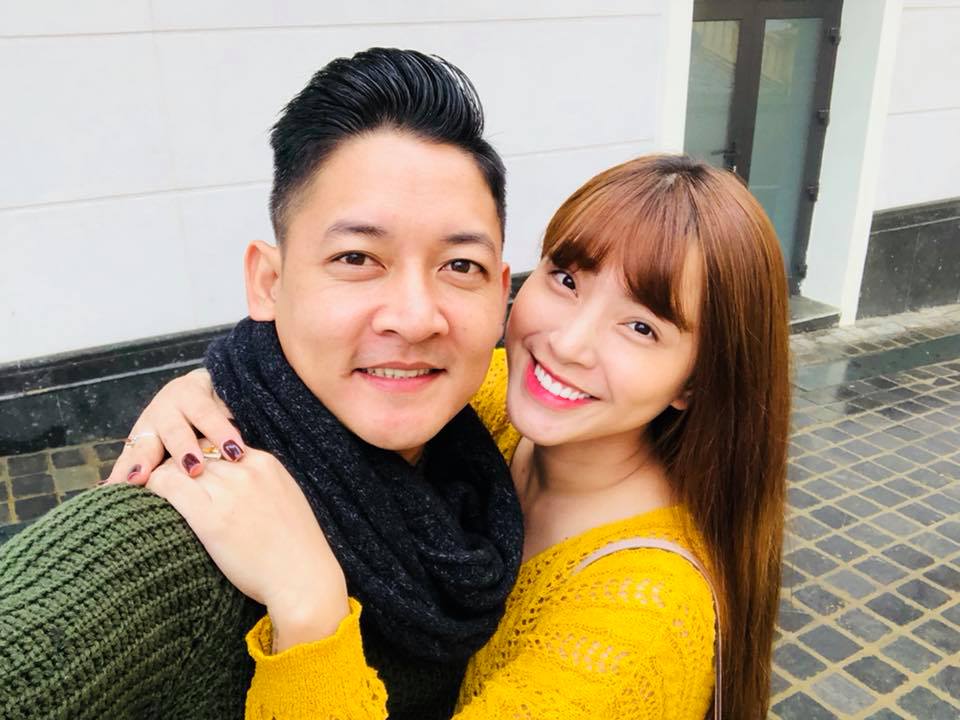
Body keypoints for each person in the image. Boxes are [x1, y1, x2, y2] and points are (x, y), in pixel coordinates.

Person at [125, 155, 791, 719]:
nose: (568, 343)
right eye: (566, 280)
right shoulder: (498, 399)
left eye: (641, 327)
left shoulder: (638, 622)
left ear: (693, 383)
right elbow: (342, 373)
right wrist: (214, 387)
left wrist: (307, 606)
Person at [0, 48, 525, 720]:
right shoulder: (172, 536)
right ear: (269, 283)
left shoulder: (480, 460)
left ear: (501, 296)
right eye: (357, 257)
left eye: (460, 265)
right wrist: (306, 608)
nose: (417, 317)